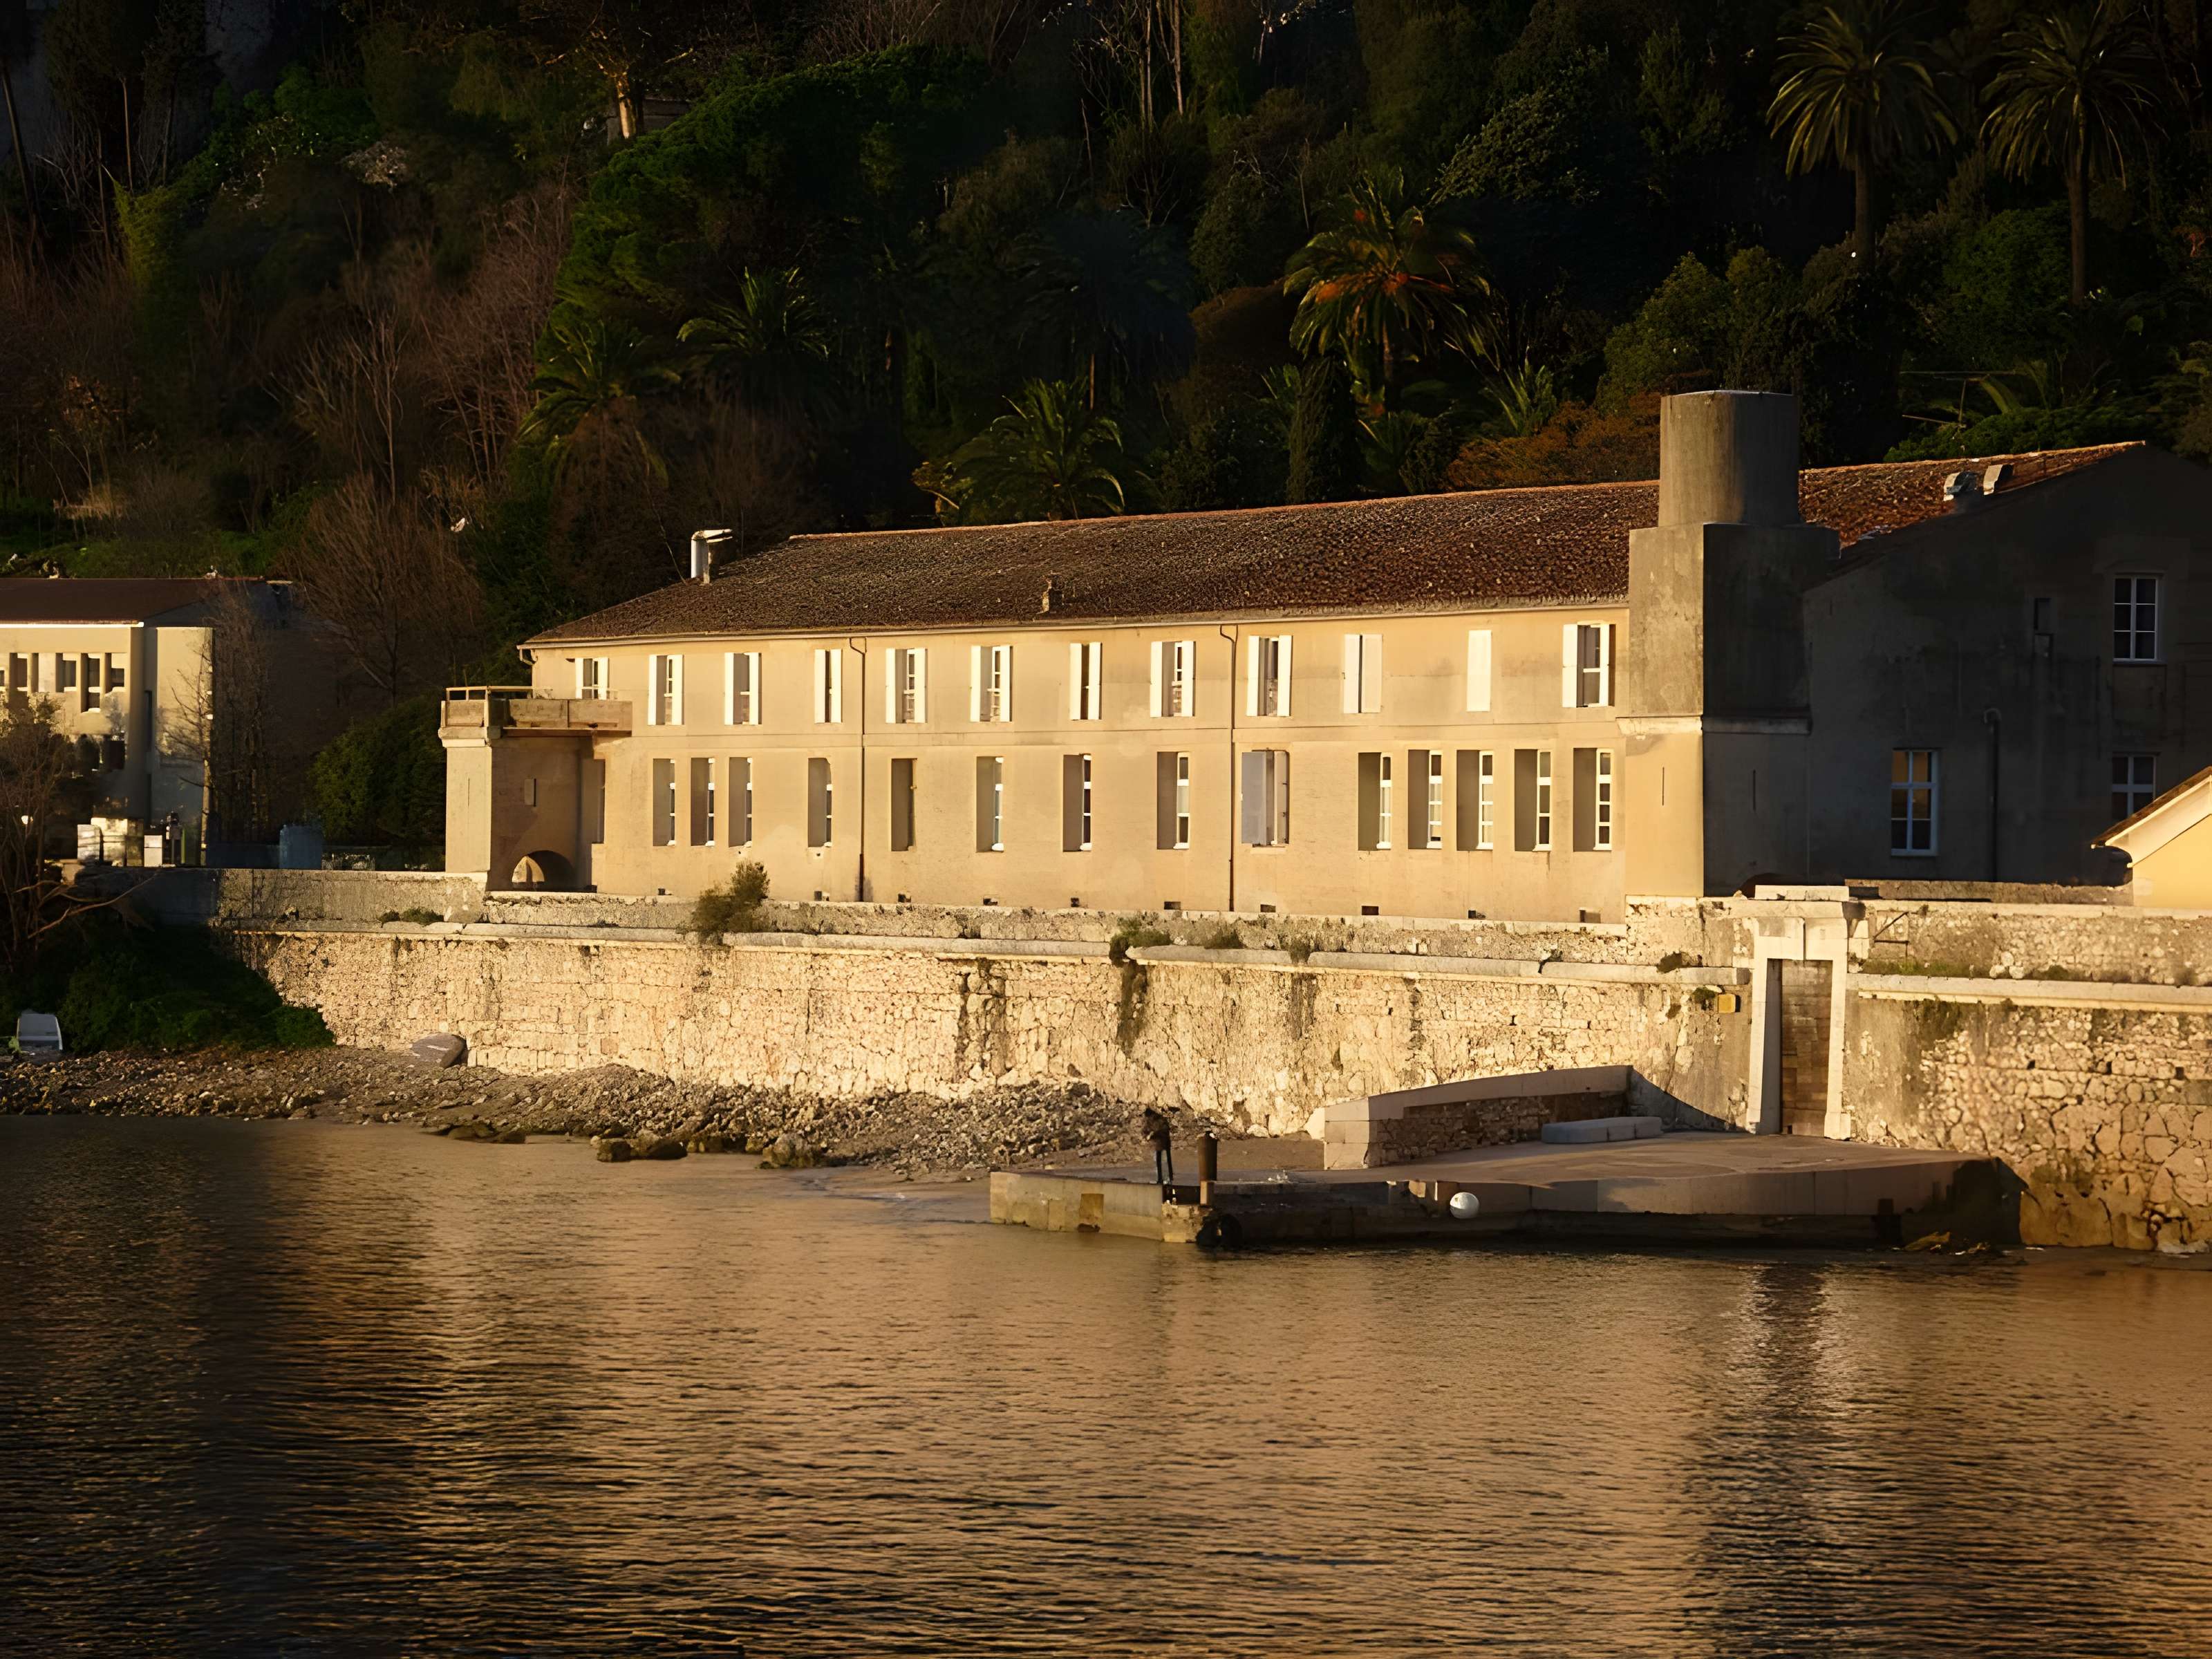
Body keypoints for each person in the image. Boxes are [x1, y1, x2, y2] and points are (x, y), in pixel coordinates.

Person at [1141, 1107, 1174, 1185]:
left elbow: (1165, 1130)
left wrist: (1154, 1134)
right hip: (1158, 1145)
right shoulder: (1150, 1121)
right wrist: (1148, 1136)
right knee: (1160, 1163)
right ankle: (1161, 1179)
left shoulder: (1160, 1120)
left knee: (1165, 1162)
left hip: (1164, 1144)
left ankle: (1168, 1178)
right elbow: (1144, 1131)